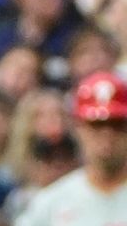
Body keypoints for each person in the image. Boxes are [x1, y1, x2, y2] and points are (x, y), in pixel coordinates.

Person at [15, 71, 127, 225]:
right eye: (96, 125)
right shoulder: (51, 202)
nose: (107, 133)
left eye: (116, 124)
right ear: (78, 128)